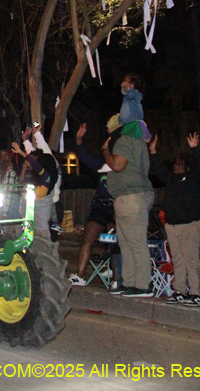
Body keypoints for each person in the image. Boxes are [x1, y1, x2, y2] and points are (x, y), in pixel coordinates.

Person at [149, 133, 200, 307]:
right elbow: (158, 170)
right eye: (175, 163)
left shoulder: (195, 179)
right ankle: (180, 290)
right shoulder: (172, 179)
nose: (175, 166)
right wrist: (153, 152)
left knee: (191, 259)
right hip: (172, 225)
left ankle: (197, 292)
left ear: (187, 166)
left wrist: (195, 148)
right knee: (177, 258)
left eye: (178, 164)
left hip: (189, 224)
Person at [101, 120, 154, 298]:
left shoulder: (125, 141)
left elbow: (117, 165)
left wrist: (105, 152)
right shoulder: (138, 143)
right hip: (130, 196)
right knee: (126, 242)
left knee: (136, 242)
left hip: (131, 197)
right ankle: (130, 283)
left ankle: (142, 285)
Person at [68, 121, 119, 287]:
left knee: (114, 243)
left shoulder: (124, 168)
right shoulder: (102, 165)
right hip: (100, 206)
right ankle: (80, 275)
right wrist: (79, 140)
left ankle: (117, 278)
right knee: (87, 239)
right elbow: (84, 157)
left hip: (117, 208)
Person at [10, 143, 57, 239]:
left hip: (41, 209)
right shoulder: (37, 179)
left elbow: (35, 164)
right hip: (30, 208)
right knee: (27, 232)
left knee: (42, 234)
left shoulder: (46, 178)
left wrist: (21, 152)